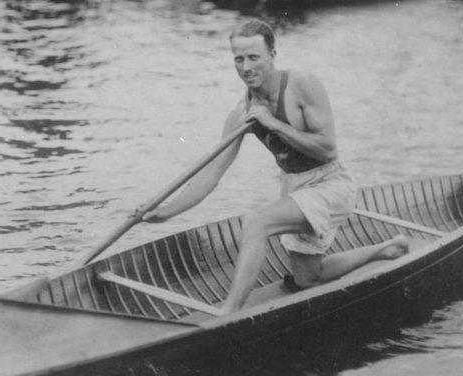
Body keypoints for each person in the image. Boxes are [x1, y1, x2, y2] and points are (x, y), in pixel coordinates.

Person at [143, 19, 409, 314]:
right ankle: (385, 249)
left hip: (331, 184)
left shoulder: (301, 85)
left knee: (256, 221)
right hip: (294, 188)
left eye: (254, 57)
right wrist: (165, 212)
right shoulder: (240, 116)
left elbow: (327, 148)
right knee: (308, 278)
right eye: (239, 59)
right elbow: (210, 175)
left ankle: (228, 312)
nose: (246, 67)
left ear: (272, 54)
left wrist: (274, 124)